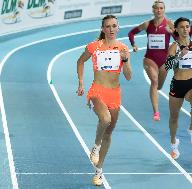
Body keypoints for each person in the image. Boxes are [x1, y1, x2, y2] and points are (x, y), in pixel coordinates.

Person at [76, 15, 132, 186]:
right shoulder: (94, 47)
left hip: (115, 93)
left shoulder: (123, 48)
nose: (111, 29)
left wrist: (125, 60)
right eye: (107, 26)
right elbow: (80, 61)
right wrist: (81, 82)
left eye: (114, 26)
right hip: (97, 90)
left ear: (118, 28)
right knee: (105, 119)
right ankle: (96, 146)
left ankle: (99, 171)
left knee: (109, 131)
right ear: (102, 29)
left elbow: (128, 76)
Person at [128, 0, 175, 121]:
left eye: (161, 8)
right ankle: (156, 112)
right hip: (150, 59)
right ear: (153, 10)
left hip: (164, 61)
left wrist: (173, 33)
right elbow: (131, 33)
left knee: (158, 86)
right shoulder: (147, 24)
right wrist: (133, 44)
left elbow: (180, 39)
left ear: (164, 10)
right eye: (156, 8)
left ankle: (156, 95)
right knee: (154, 81)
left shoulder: (170, 24)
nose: (159, 10)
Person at [165, 17, 192, 160]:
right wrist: (179, 55)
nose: (185, 29)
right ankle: (174, 143)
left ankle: (191, 129)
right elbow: (168, 66)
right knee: (174, 117)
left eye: (187, 26)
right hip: (178, 84)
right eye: (181, 27)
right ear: (176, 29)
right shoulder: (174, 47)